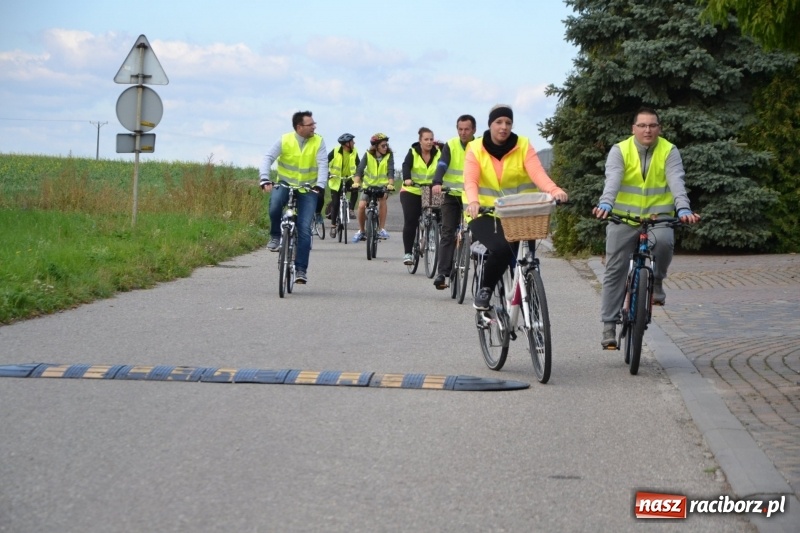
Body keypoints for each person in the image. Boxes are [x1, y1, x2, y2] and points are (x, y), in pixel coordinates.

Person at [592, 106, 700, 348]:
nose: (647, 130)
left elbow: (676, 180)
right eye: (642, 125)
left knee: (664, 242)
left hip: (658, 218)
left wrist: (683, 208)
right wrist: (606, 203)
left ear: (659, 128)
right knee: (615, 269)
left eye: (652, 125)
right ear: (634, 129)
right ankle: (609, 325)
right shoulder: (620, 150)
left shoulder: (669, 150)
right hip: (623, 218)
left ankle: (657, 281)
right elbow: (614, 179)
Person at [464, 104, 568, 310]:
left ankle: (530, 298)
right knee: (502, 249)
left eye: (508, 122)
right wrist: (474, 201)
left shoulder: (523, 145)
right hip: (486, 213)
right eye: (499, 122)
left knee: (528, 261)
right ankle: (485, 289)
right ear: (490, 124)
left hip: (521, 213)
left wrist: (554, 190)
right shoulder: (475, 148)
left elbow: (537, 173)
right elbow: (471, 179)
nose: (504, 127)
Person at [258, 110, 328, 284]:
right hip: (285, 184)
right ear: (299, 127)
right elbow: (268, 158)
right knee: (275, 204)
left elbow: (323, 164)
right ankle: (275, 236)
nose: (314, 127)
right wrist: (264, 178)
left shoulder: (318, 141)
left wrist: (320, 185)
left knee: (304, 228)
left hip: (307, 188)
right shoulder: (285, 140)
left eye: (314, 123)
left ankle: (301, 270)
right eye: (310, 124)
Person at [431, 114, 477, 289]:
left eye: (466, 129)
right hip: (451, 194)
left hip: (472, 196)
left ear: (474, 130)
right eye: (460, 129)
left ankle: (481, 271)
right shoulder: (451, 145)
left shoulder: (479, 145)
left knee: (478, 231)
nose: (463, 132)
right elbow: (442, 164)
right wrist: (437, 182)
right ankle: (442, 273)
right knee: (448, 232)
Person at [400, 127, 441, 265]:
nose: (429, 142)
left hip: (430, 189)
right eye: (426, 139)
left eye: (431, 139)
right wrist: (407, 178)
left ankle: (432, 236)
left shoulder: (438, 153)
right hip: (412, 190)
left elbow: (442, 168)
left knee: (438, 216)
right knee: (411, 220)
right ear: (420, 141)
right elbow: (406, 165)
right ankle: (408, 253)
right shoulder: (413, 152)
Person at [351, 133, 396, 242]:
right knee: (361, 206)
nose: (386, 147)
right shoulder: (367, 155)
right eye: (383, 146)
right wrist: (356, 183)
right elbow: (360, 170)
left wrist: (390, 184)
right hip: (368, 186)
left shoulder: (389, 156)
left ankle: (381, 229)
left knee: (383, 200)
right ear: (376, 146)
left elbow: (390, 171)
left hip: (382, 186)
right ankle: (362, 231)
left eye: (386, 145)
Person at [328, 133, 360, 234]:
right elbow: (325, 162)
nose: (354, 143)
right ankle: (333, 226)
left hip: (348, 178)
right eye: (352, 141)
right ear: (347, 143)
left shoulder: (354, 151)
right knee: (336, 202)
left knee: (355, 188)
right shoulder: (335, 151)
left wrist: (359, 176)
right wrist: (328, 173)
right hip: (336, 180)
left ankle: (351, 209)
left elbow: (359, 165)